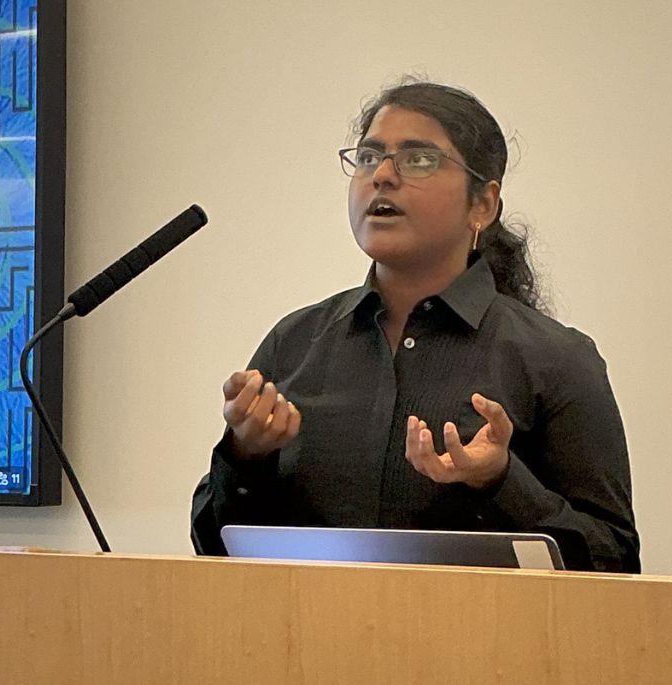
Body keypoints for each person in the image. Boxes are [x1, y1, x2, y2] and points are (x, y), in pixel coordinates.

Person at [190, 80, 640, 572]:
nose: (382, 175)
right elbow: (215, 549)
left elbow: (613, 561)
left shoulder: (556, 359)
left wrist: (500, 481)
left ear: (482, 205)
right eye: (367, 157)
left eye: (419, 159)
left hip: (486, 645)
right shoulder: (295, 343)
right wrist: (245, 455)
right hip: (309, 643)